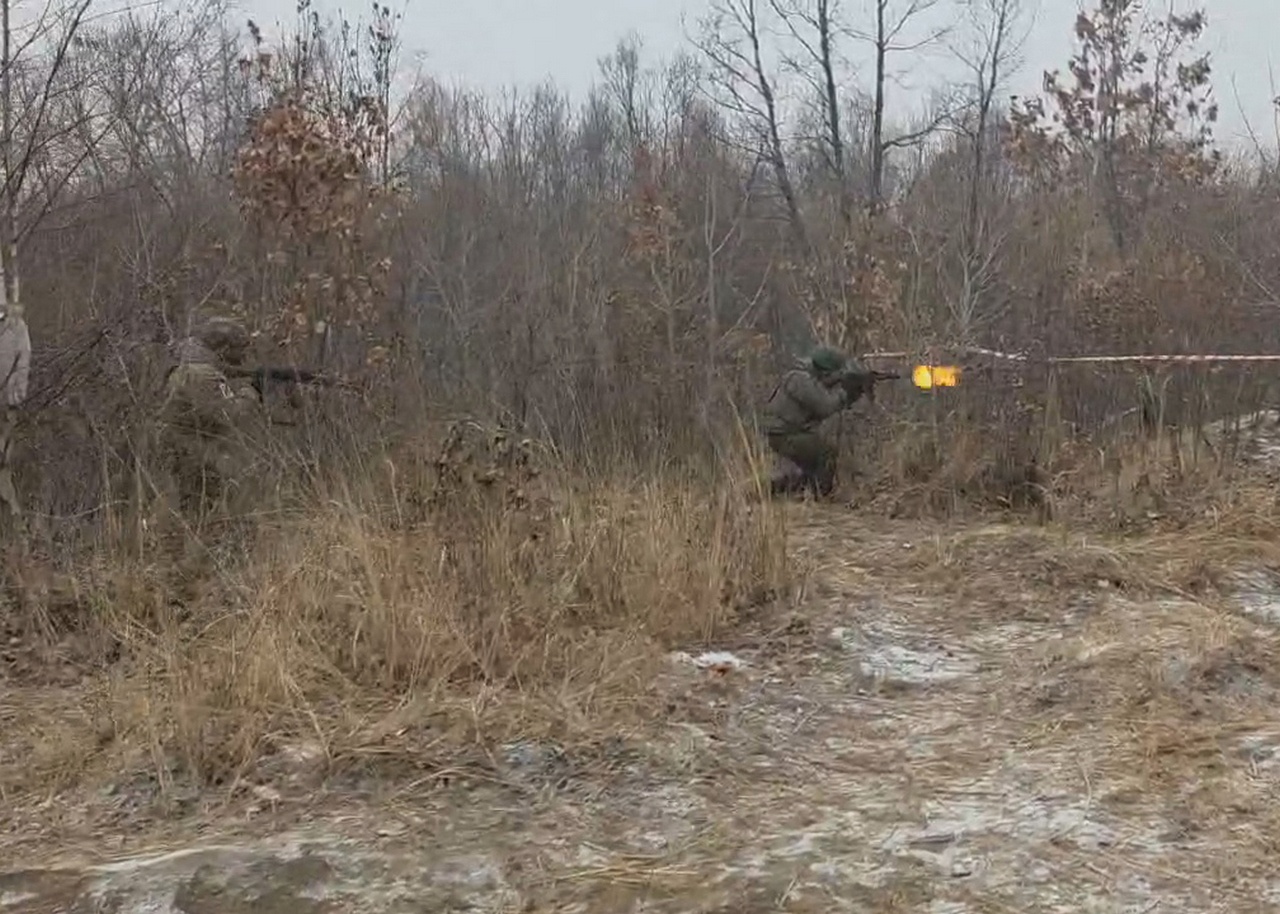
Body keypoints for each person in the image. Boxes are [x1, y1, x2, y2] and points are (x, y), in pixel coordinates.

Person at [156, 317, 264, 519]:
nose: (242, 356)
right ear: (223, 349)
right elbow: (227, 415)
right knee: (198, 516)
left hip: (186, 452)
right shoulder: (204, 374)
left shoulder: (192, 367)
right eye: (238, 349)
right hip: (191, 456)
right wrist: (251, 392)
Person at [760, 346, 862, 499]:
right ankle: (819, 496)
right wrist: (845, 392)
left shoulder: (804, 378)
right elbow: (825, 406)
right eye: (837, 374)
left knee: (809, 470)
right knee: (826, 453)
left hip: (787, 433)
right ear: (825, 372)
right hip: (785, 435)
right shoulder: (800, 379)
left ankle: (775, 488)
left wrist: (850, 393)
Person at [0, 303, 31, 526]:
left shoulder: (16, 327)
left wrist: (15, 396)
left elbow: (23, 362)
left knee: (4, 464)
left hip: (7, 405)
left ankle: (14, 521)